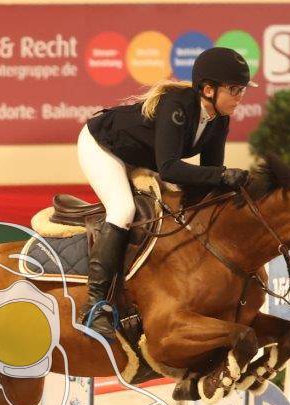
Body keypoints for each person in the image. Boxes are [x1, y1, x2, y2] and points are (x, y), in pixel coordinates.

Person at [78, 47, 258, 335]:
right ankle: (95, 305)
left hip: (142, 158)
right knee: (123, 210)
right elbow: (171, 168)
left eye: (242, 90)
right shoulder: (177, 105)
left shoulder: (220, 119)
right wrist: (223, 175)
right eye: (234, 89)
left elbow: (210, 176)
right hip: (103, 146)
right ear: (208, 89)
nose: (240, 97)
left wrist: (233, 186)